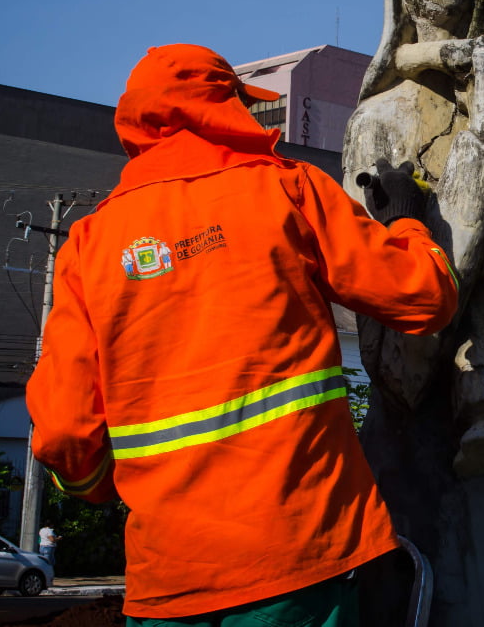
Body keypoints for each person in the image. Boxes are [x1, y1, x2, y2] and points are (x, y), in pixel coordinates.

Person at [25, 44, 459, 626]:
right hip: (300, 557)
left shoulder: (88, 244)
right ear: (222, 105)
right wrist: (405, 218)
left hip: (166, 578)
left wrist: (109, 487)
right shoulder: (287, 190)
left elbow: (63, 435)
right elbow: (423, 294)